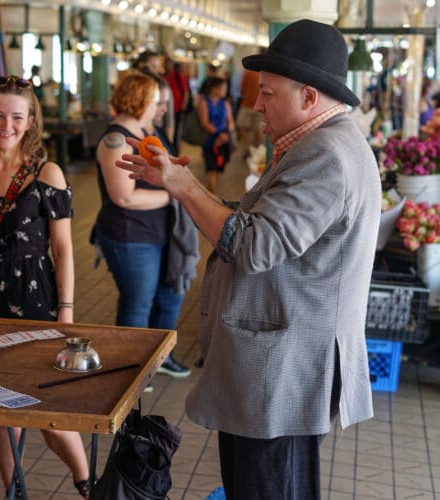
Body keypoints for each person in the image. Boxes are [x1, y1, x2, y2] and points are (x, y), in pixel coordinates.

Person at [116, 19, 382, 499]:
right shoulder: (321, 143)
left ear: (308, 96)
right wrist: (182, 187)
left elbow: (256, 245)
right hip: (276, 368)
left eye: (268, 92)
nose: (256, 104)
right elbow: (256, 219)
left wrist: (186, 188)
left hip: (283, 372)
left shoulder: (326, 154)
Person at [0, 75, 90, 498]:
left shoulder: (47, 174)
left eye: (17, 117)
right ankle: (14, 492)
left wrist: (66, 311)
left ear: (30, 122)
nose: (6, 125)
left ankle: (87, 482)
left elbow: (63, 249)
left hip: (36, 302)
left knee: (45, 405)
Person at [93, 71, 191, 383]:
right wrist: (176, 194)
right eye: (156, 101)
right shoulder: (116, 140)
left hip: (160, 232)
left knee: (168, 297)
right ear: (139, 100)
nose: (161, 107)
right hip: (131, 237)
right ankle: (131, 370)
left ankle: (159, 357)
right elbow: (124, 197)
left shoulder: (148, 130)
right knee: (138, 303)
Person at [197, 76, 234, 194]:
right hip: (210, 140)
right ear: (214, 88)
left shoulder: (225, 102)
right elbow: (204, 123)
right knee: (211, 169)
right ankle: (212, 196)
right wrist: (219, 135)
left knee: (218, 168)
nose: (225, 91)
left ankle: (211, 192)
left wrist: (225, 135)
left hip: (224, 139)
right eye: (223, 88)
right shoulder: (204, 102)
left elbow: (231, 122)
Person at [164, 57, 190, 155]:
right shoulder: (164, 76)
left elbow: (186, 92)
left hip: (177, 109)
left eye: (169, 63)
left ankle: (175, 151)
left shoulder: (178, 76)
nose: (167, 66)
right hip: (166, 110)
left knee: (177, 132)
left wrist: (183, 108)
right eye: (165, 63)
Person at [236, 69, 263, 150]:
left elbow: (241, 89)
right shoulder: (263, 73)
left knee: (242, 127)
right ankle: (256, 149)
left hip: (247, 104)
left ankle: (247, 148)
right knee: (257, 129)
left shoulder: (248, 73)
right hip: (260, 105)